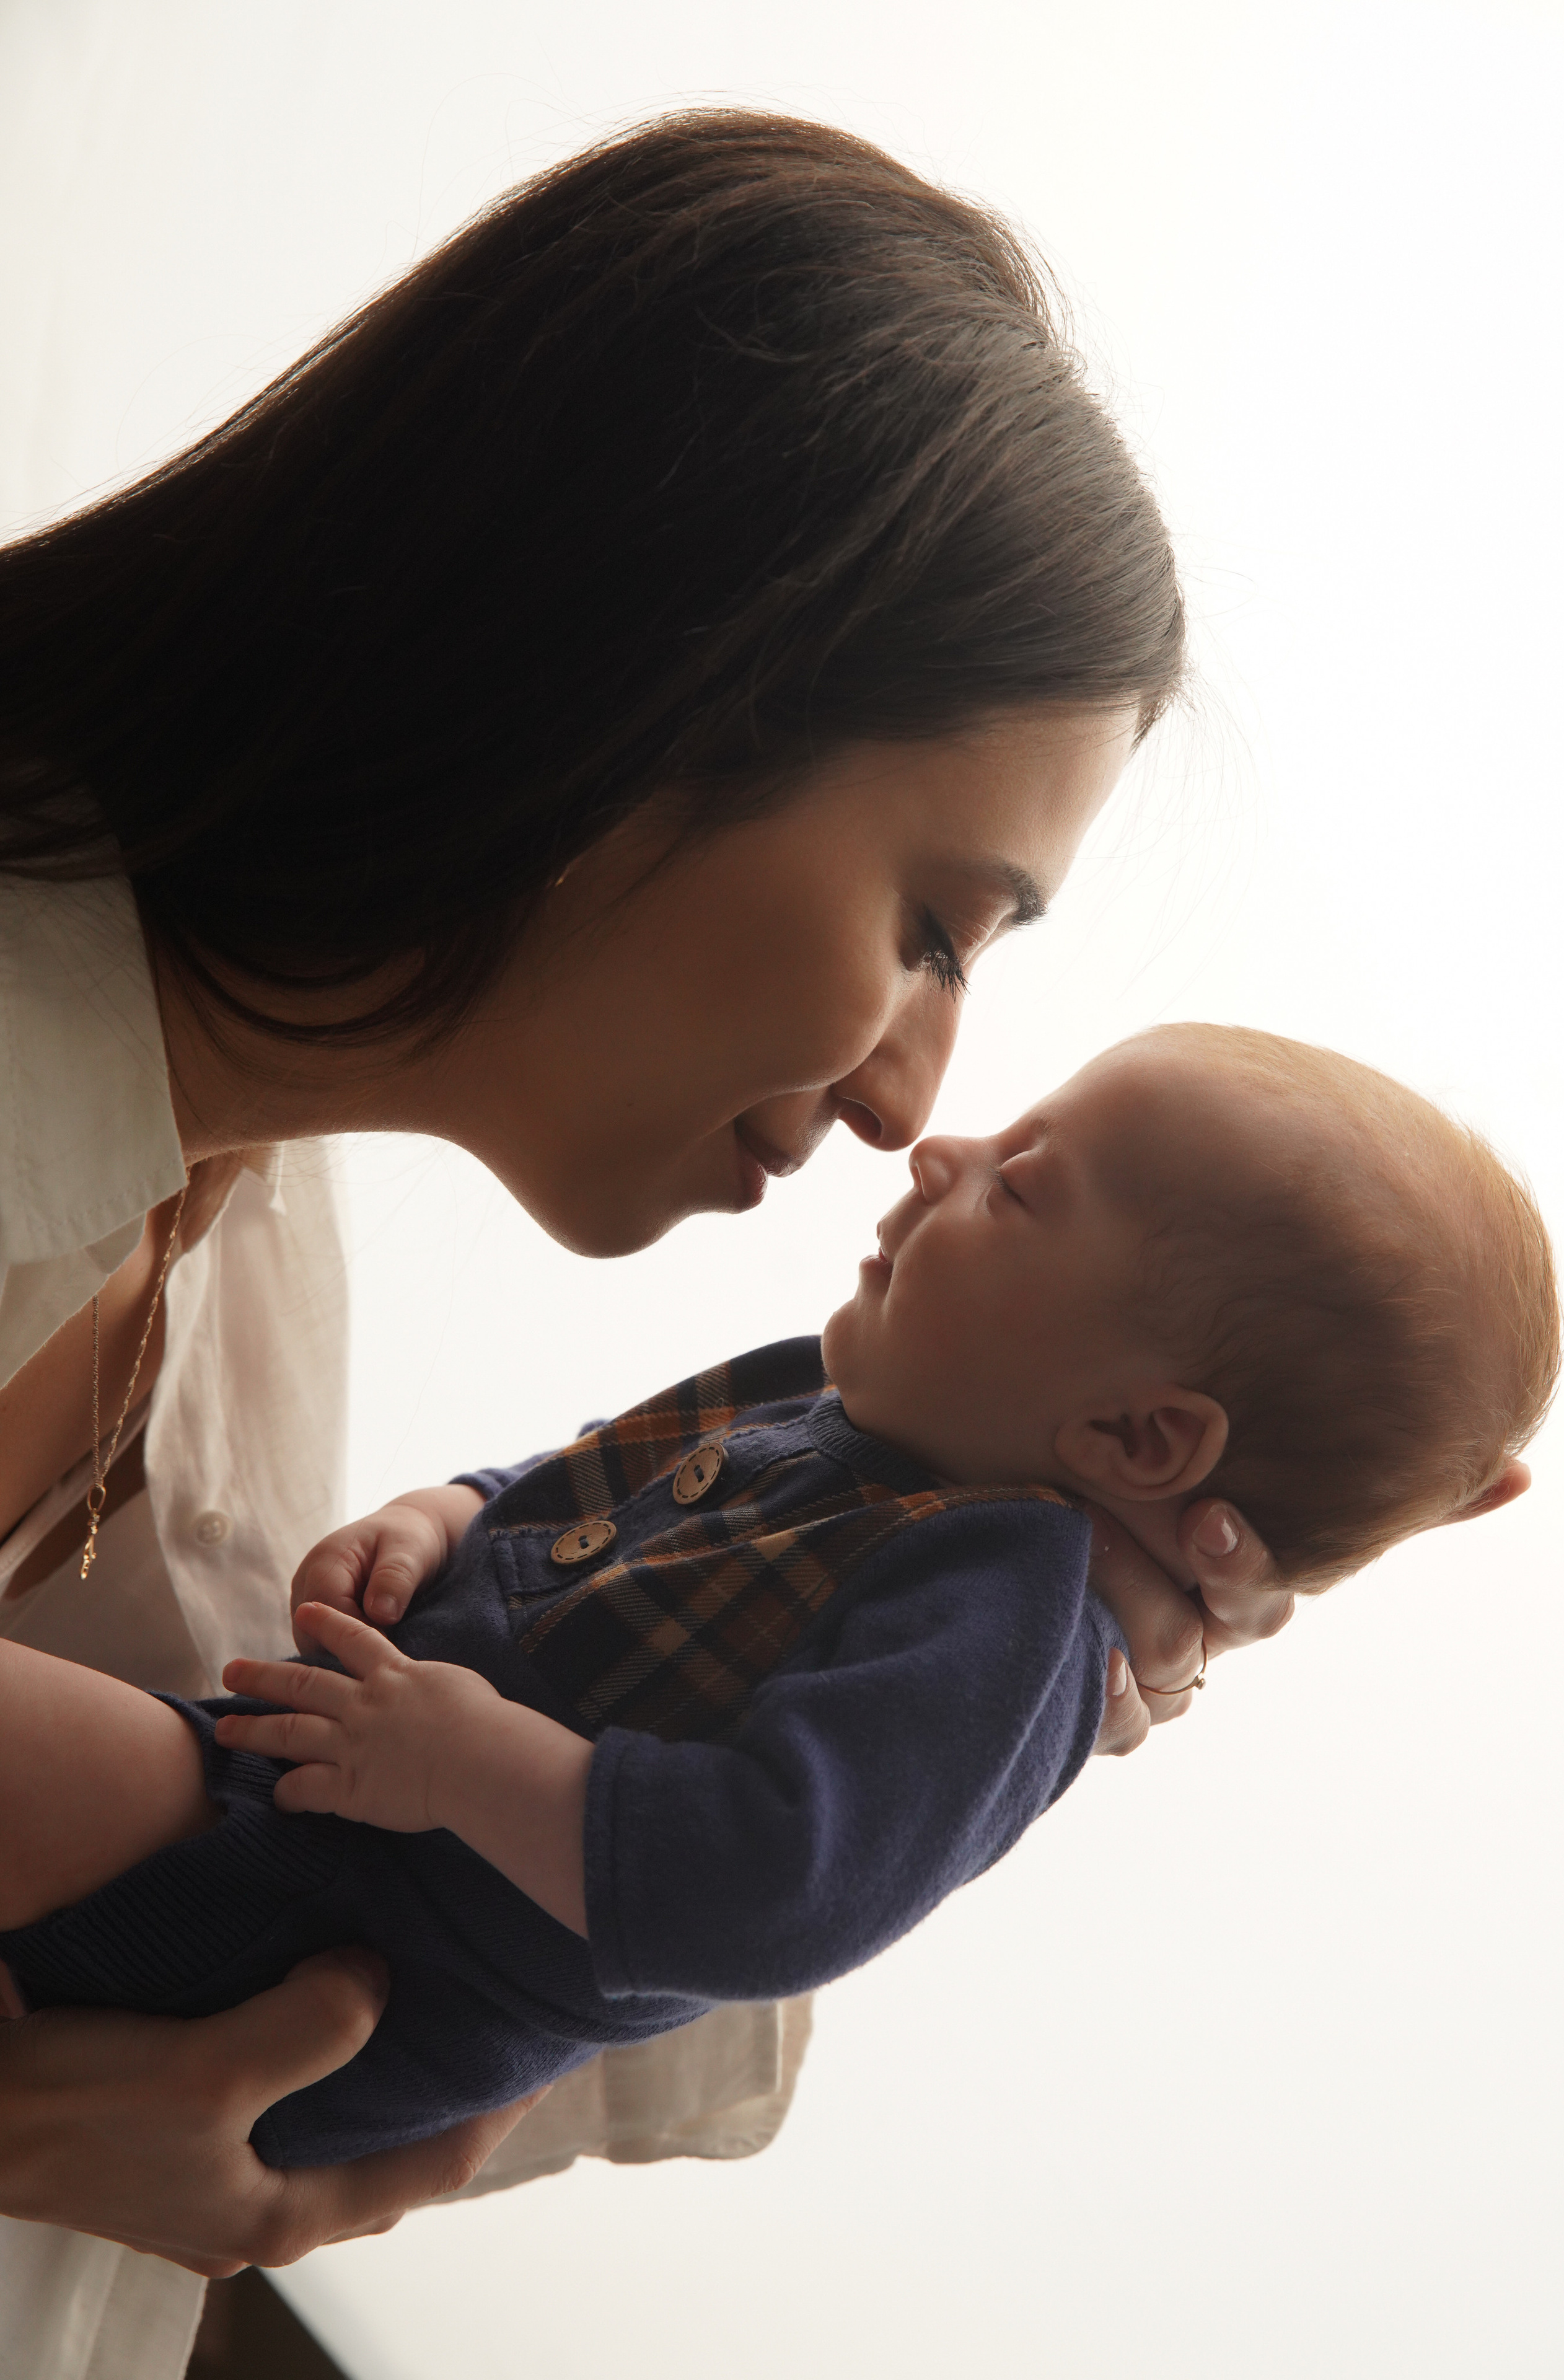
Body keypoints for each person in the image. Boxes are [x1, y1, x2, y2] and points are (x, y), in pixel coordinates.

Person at [0, 110, 1293, 2379]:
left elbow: (341, 1896)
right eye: (933, 926)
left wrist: (968, 1728)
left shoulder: (245, 1230)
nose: (908, 1100)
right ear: (644, 690)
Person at [0, 1024, 1553, 2165]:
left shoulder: (1002, 1619)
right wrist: (444, 1517)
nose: (939, 1150)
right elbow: (585, 1479)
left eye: (1020, 1185)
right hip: (312, 1815)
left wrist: (458, 1759)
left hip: (359, 1943)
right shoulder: (838, 1393)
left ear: (1138, 1439)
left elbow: (770, 1893)